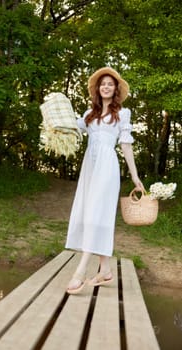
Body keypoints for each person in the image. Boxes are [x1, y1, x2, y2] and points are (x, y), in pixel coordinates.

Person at [65, 67, 144, 295]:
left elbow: (126, 145)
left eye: (110, 84)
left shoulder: (123, 113)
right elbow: (71, 127)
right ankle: (106, 270)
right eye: (103, 84)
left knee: (96, 215)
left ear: (116, 89)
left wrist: (135, 176)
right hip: (90, 166)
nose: (106, 87)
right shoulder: (90, 113)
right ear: (98, 89)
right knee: (92, 213)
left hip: (107, 167)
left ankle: (80, 271)